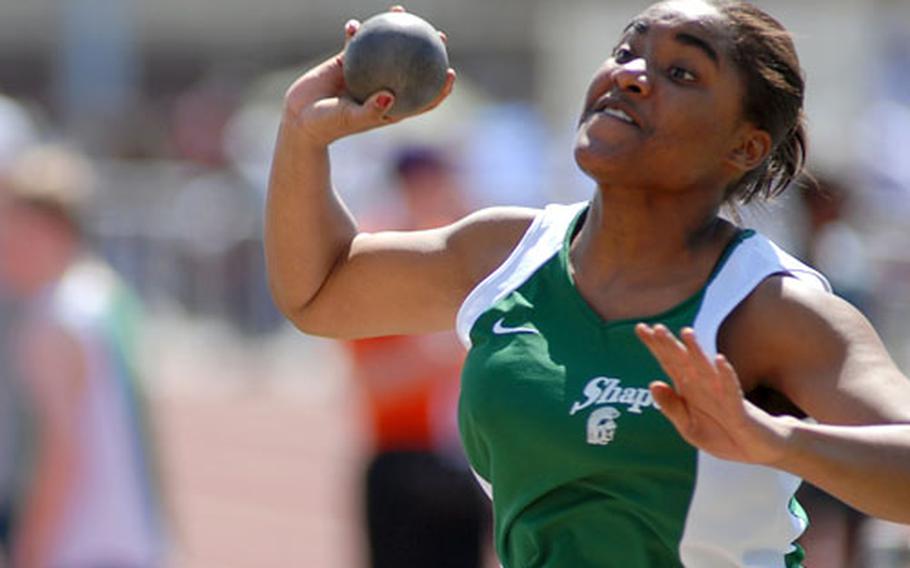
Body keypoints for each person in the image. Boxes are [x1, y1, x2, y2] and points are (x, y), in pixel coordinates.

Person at [264, 2, 910, 566]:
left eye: (680, 72)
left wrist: (776, 442)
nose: (630, 74)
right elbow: (320, 292)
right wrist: (303, 134)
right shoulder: (503, 254)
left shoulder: (771, 308)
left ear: (745, 146)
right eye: (627, 52)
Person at [0, 146, 166, 567]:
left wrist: (29, 550)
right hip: (130, 539)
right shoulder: (104, 295)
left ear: (46, 230)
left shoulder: (53, 323)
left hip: (81, 545)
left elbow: (61, 453)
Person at [347, 147, 489, 568]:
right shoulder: (376, 262)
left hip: (469, 461)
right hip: (406, 459)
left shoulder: (477, 264)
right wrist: (445, 353)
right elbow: (375, 380)